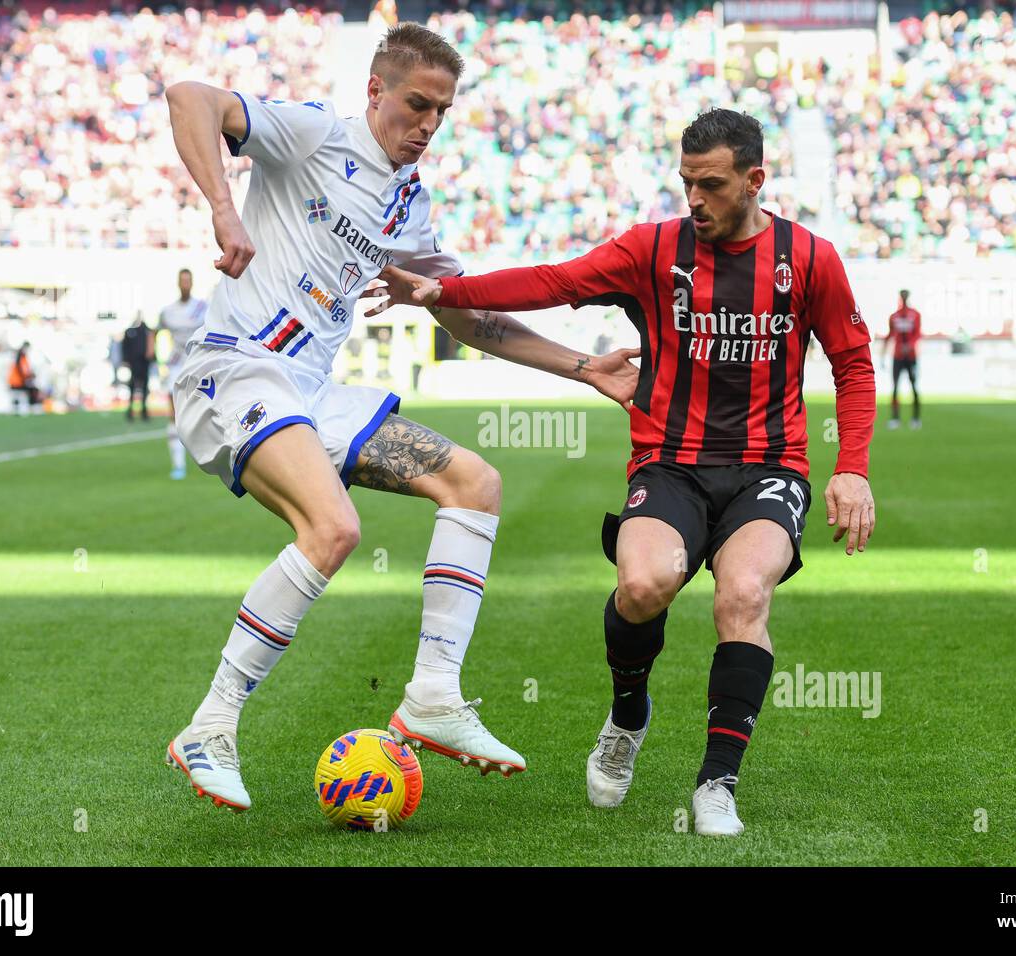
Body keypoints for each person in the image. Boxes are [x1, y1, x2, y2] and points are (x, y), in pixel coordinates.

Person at [161, 22, 639, 812]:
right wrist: (223, 206)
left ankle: (432, 697)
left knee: (475, 483)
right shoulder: (315, 134)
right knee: (334, 528)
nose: (427, 125)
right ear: (376, 90)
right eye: (417, 104)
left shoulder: (407, 206)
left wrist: (585, 368)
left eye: (442, 113)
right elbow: (190, 97)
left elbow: (470, 317)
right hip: (234, 369)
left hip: (309, 395)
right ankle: (210, 726)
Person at [367, 109, 877, 836]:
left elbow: (854, 365)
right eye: (686, 183)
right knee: (642, 586)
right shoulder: (654, 250)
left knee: (742, 594)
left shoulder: (811, 259)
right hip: (669, 461)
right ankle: (628, 713)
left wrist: (850, 468)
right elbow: (554, 279)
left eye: (711, 184)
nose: (694, 199)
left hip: (770, 467)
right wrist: (446, 291)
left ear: (755, 180)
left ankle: (716, 785)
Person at [158, 268, 208, 478]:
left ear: (192, 283)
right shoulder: (168, 311)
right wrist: (151, 354)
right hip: (176, 366)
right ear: (178, 283)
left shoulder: (203, 308)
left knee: (205, 412)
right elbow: (156, 330)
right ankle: (178, 465)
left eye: (188, 280)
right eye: (182, 281)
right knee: (173, 414)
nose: (185, 284)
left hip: (197, 365)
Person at [883, 289, 921, 429]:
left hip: (911, 357)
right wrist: (883, 350)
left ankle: (916, 418)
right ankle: (895, 418)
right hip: (898, 357)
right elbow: (890, 334)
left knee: (914, 387)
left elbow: (917, 334)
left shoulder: (915, 315)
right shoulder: (894, 316)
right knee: (895, 388)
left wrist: (910, 346)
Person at [121, 314, 155, 421]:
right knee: (133, 387)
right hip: (134, 363)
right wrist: (126, 360)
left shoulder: (148, 331)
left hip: (144, 363)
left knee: (144, 387)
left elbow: (152, 346)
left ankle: (143, 411)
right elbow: (125, 347)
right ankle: (131, 410)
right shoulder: (130, 331)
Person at [7, 342, 39, 413]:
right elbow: (21, 370)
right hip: (17, 381)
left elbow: (26, 370)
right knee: (31, 390)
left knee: (31, 391)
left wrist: (30, 375)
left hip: (19, 380)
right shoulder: (19, 357)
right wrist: (28, 377)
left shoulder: (23, 357)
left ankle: (31, 407)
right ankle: (33, 407)